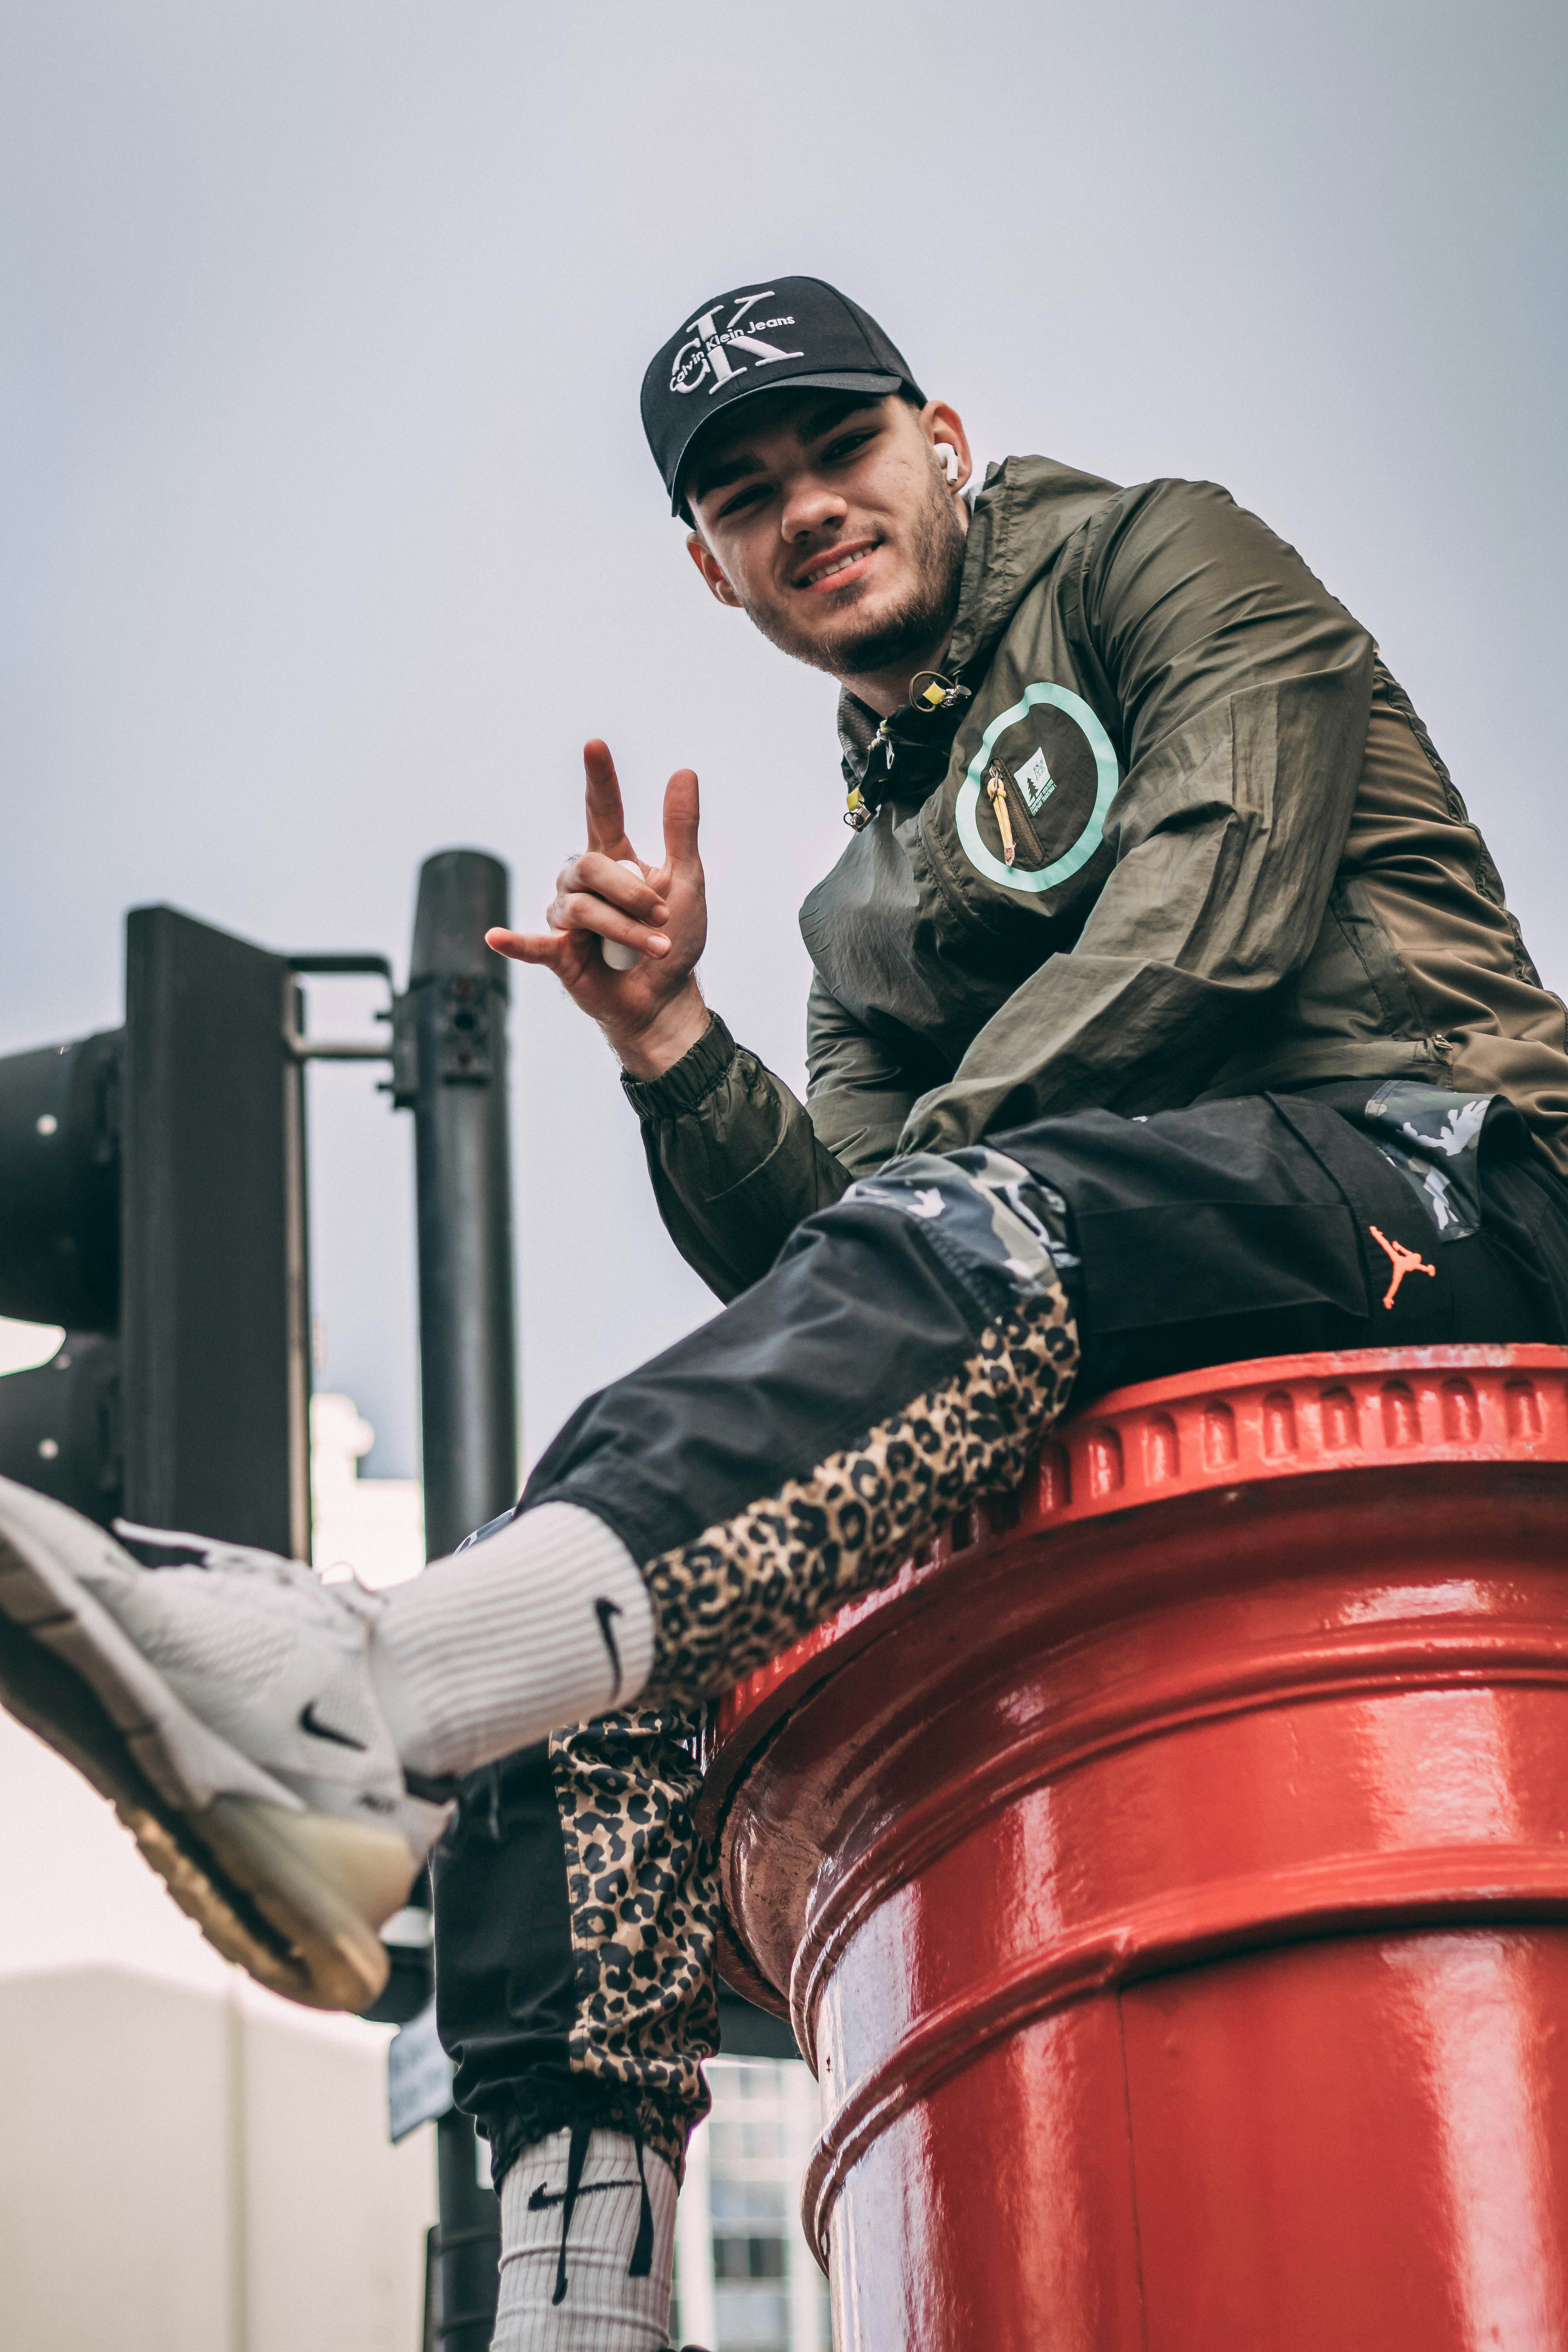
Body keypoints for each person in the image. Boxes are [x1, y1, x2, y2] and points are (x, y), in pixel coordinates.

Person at [3, 276, 1568, 2352]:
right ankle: (578, 2273)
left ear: (943, 437)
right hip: (1140, 1284)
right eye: (747, 495)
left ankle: (373, 1696)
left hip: (1460, 1189)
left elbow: (1215, 909)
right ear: (711, 567)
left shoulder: (1167, 558)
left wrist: (939, 1184)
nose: (809, 505)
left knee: (948, 1247)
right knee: (604, 1553)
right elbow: (840, 1295)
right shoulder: (862, 913)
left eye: (841, 447)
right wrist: (674, 1047)